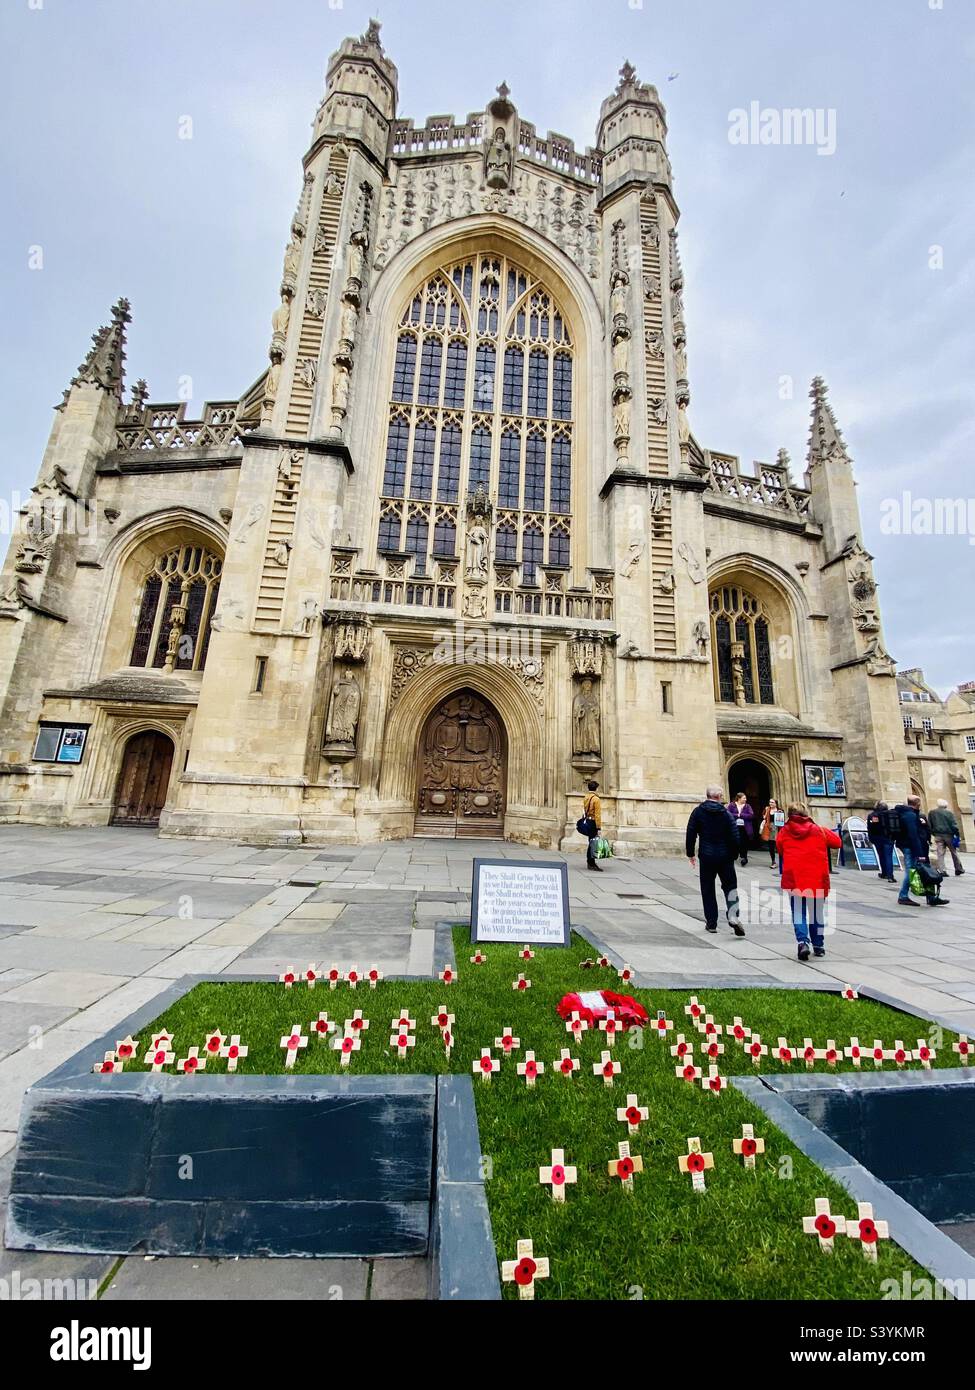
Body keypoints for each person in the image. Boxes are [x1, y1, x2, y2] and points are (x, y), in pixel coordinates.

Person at [775, 804, 843, 961]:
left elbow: (780, 848)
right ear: (806, 813)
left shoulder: (785, 831)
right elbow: (837, 843)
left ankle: (803, 942)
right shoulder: (818, 829)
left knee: (798, 912)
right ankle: (818, 945)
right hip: (816, 878)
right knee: (816, 913)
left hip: (795, 878)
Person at [686, 785, 746, 937]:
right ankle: (733, 916)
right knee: (730, 887)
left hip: (706, 856)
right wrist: (734, 854)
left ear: (707, 796)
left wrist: (690, 854)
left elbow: (691, 832)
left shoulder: (698, 812)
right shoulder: (726, 814)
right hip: (725, 856)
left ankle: (711, 922)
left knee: (707, 889)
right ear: (719, 797)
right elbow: (735, 836)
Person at [894, 795, 949, 908]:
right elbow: (913, 835)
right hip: (912, 848)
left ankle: (931, 897)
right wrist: (920, 854)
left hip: (918, 847)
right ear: (917, 803)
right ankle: (903, 896)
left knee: (926, 871)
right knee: (912, 871)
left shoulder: (912, 813)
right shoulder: (909, 815)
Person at [929, 799, 965, 877]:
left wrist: (933, 833)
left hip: (938, 835)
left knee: (940, 853)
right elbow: (954, 825)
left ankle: (942, 870)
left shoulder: (932, 813)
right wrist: (957, 834)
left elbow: (930, 824)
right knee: (953, 852)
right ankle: (958, 868)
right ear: (946, 805)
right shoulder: (949, 813)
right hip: (949, 835)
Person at [866, 800, 897, 883]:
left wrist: (871, 838)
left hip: (877, 839)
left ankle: (884, 873)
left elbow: (870, 828)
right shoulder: (890, 814)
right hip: (888, 838)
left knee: (881, 855)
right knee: (888, 856)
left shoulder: (872, 815)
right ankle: (890, 876)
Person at [727, 792, 754, 866]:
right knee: (735, 841)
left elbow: (751, 815)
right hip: (735, 827)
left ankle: (744, 857)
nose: (745, 799)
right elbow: (728, 814)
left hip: (745, 827)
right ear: (739, 798)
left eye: (745, 798)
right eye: (744, 798)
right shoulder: (732, 805)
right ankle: (735, 854)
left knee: (744, 842)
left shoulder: (747, 806)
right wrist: (737, 815)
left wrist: (741, 815)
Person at [582, 780, 603, 872]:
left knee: (591, 842)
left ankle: (590, 861)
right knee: (593, 843)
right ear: (596, 788)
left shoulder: (586, 797)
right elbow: (597, 814)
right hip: (593, 822)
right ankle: (591, 862)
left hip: (588, 821)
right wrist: (598, 827)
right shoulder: (596, 799)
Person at [759, 798, 784, 870]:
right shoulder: (767, 809)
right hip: (769, 828)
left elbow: (781, 822)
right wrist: (765, 815)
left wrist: (780, 814)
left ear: (776, 803)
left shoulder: (780, 810)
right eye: (770, 802)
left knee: (779, 845)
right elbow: (763, 817)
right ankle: (773, 861)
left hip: (777, 829)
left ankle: (782, 861)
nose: (771, 804)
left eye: (772, 802)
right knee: (771, 846)